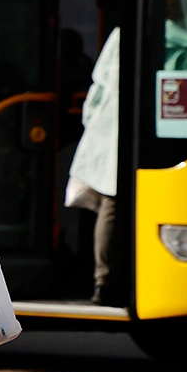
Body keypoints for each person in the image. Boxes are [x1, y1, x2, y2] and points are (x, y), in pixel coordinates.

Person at [67, 27, 120, 306]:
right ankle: (105, 281)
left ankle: (103, 280)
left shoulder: (121, 35)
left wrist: (91, 120)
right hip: (114, 134)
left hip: (106, 129)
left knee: (108, 204)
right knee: (111, 204)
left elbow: (98, 85)